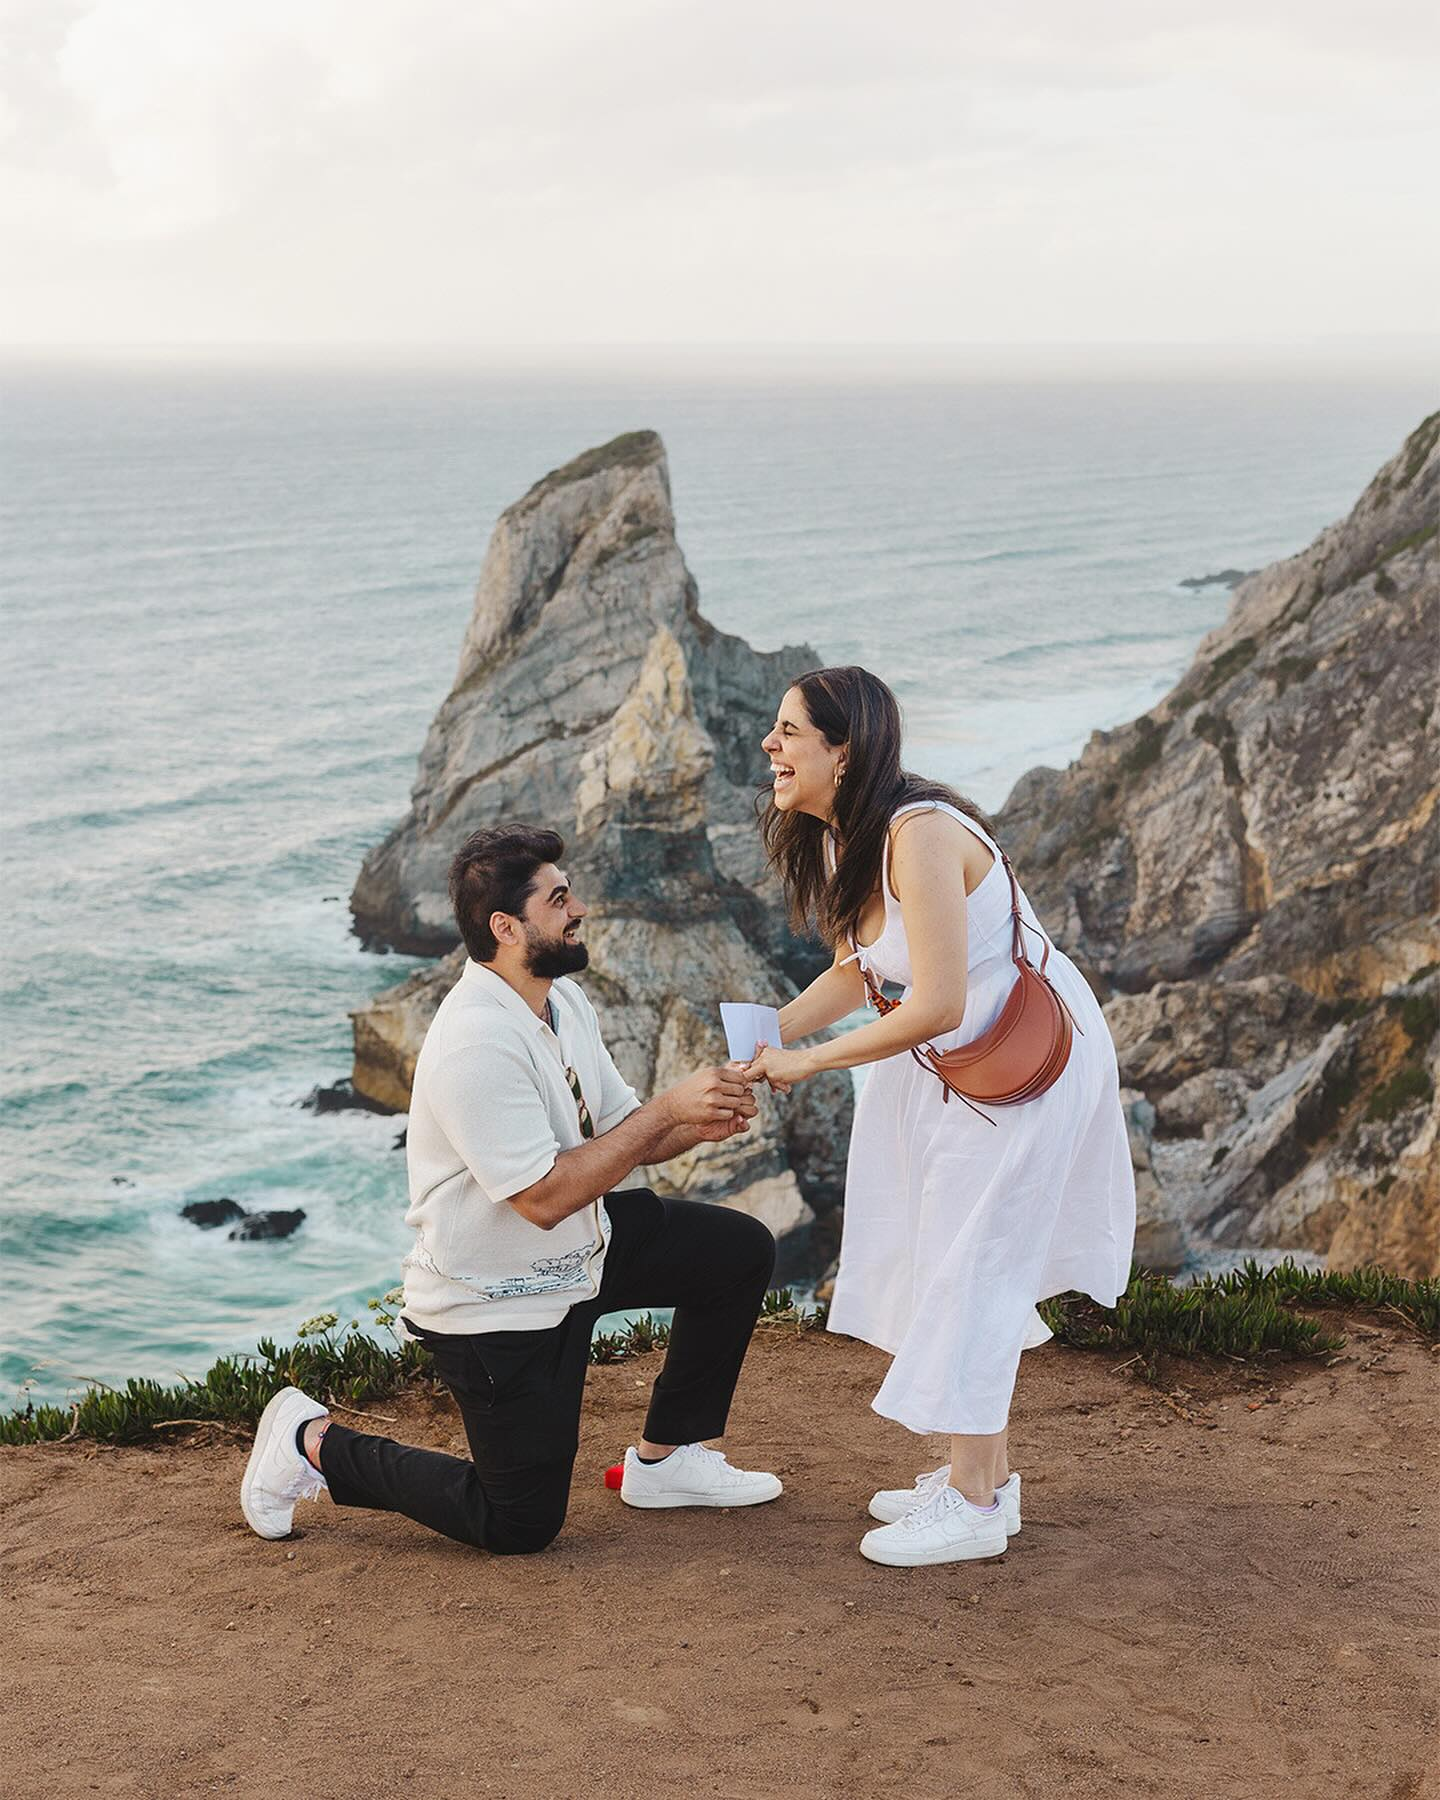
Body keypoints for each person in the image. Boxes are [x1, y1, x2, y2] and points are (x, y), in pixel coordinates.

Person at [241, 823, 782, 1554]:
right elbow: (543, 1198)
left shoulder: (562, 1003)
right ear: (506, 927)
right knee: (518, 1524)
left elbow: (624, 1131)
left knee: (736, 1251)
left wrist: (701, 1118)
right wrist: (668, 1110)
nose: (579, 908)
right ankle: (309, 1442)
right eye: (559, 899)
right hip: (497, 1297)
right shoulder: (475, 1041)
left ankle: (668, 1461)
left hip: (582, 1252)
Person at [744, 666, 1135, 1567]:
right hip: (959, 1067)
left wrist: (809, 1060)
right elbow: (863, 973)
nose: (771, 744)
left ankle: (969, 1502)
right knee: (954, 1255)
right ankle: (985, 1485)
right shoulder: (850, 837)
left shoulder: (917, 834)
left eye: (789, 730)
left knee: (976, 1263)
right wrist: (769, 1034)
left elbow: (939, 1004)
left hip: (1024, 1063)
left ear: (844, 750)